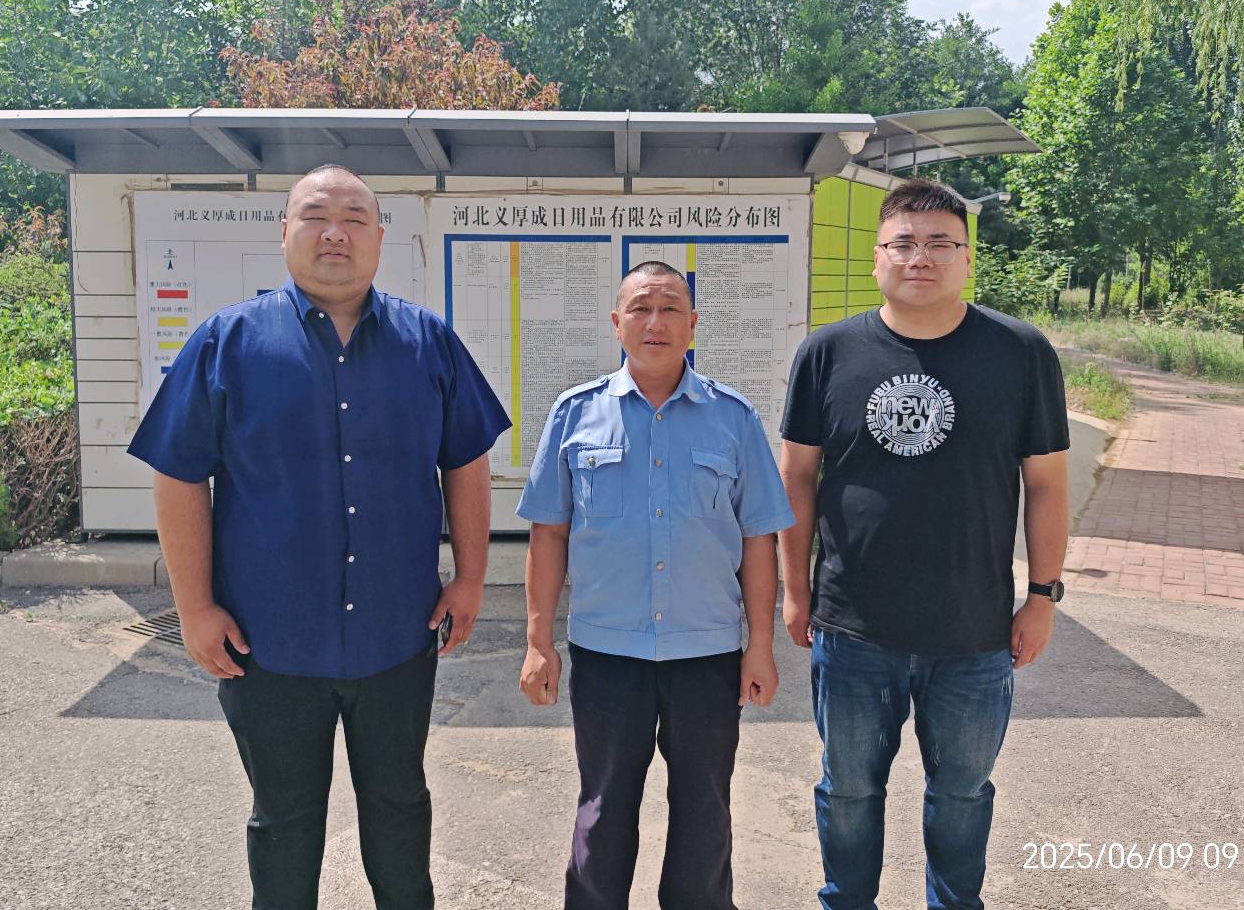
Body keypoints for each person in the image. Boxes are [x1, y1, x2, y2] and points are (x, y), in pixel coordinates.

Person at [127, 164, 510, 910]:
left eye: (354, 218)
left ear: (379, 237)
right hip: (268, 643)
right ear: (284, 232)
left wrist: (469, 579)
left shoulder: (428, 341)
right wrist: (194, 607)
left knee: (400, 809)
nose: (335, 233)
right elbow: (179, 475)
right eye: (315, 215)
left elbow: (465, 461)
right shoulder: (228, 342)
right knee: (283, 824)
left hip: (397, 637)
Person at [778, 179, 1070, 910]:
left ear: (967, 258)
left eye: (941, 243)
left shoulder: (1021, 353)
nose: (921, 257)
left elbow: (1045, 484)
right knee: (849, 791)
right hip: (852, 627)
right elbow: (797, 479)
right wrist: (795, 590)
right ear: (877, 257)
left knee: (963, 795)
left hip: (973, 633)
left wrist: (1042, 596)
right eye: (903, 242)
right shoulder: (827, 354)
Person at [515, 260, 795, 910]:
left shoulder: (733, 418)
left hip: (707, 654)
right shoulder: (576, 413)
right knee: (603, 812)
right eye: (640, 308)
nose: (655, 321)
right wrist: (537, 641)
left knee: (705, 815)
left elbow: (759, 539)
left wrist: (760, 645)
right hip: (607, 654)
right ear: (616, 322)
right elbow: (549, 535)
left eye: (670, 308)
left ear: (693, 324)